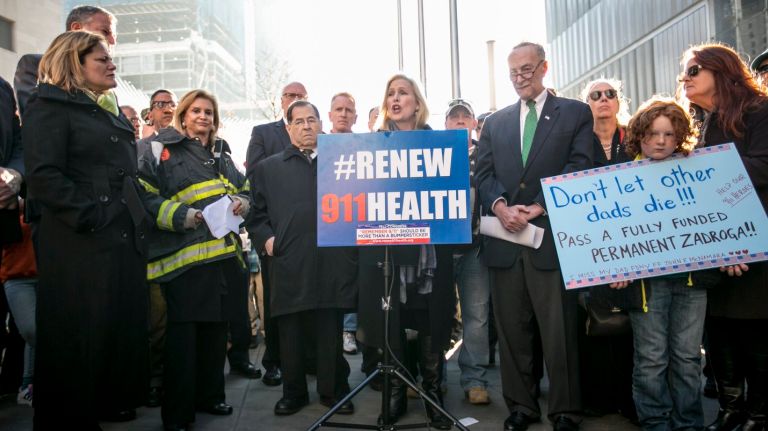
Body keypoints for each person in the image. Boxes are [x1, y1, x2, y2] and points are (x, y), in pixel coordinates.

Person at [22, 31, 151, 430]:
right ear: (74, 64)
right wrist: (91, 216)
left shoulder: (100, 110)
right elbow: (43, 175)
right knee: (76, 342)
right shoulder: (48, 106)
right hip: (79, 245)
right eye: (102, 60)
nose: (113, 65)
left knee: (108, 341)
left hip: (115, 242)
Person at [475, 41, 593, 431]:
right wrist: (499, 206)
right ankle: (521, 407)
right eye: (513, 72)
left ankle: (565, 411)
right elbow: (484, 175)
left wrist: (541, 206)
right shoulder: (495, 122)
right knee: (512, 331)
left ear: (544, 68)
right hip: (504, 241)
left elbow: (580, 165)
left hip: (550, 240)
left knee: (559, 331)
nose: (520, 78)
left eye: (527, 69)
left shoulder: (574, 113)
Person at [138, 89, 250, 431]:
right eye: (197, 111)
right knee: (183, 340)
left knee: (216, 334)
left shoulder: (222, 154)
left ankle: (210, 396)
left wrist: (243, 203)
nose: (203, 117)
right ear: (183, 115)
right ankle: (177, 413)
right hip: (183, 263)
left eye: (209, 113)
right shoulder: (159, 149)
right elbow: (144, 196)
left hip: (223, 260)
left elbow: (246, 188)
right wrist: (182, 216)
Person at [679, 42, 768, 431]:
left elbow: (764, 167)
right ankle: (731, 410)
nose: (686, 77)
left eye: (694, 69)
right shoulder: (699, 123)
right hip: (713, 247)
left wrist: (706, 168)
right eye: (684, 71)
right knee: (719, 330)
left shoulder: (760, 111)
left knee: (754, 331)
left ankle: (760, 414)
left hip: (754, 240)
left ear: (721, 70)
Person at [357, 74, 454, 429]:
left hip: (430, 252)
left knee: (430, 317)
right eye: (391, 94)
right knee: (391, 319)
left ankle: (432, 393)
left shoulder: (438, 143)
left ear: (417, 101)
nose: (396, 99)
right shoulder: (374, 145)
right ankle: (396, 394)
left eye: (404, 92)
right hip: (388, 253)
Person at [249, 100, 357, 416]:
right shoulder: (268, 168)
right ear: (288, 128)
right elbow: (256, 216)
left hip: (332, 263)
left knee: (329, 329)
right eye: (299, 121)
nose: (306, 126)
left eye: (312, 119)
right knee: (291, 331)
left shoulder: (341, 163)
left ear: (321, 123)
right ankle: (293, 393)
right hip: (288, 262)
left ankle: (333, 391)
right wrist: (269, 243)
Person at [618, 97, 713, 431]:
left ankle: (689, 423)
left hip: (691, 282)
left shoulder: (697, 174)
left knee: (688, 359)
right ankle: (655, 422)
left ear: (679, 137)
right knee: (651, 359)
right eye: (654, 133)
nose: (660, 141)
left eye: (669, 134)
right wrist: (615, 269)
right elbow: (609, 233)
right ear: (640, 135)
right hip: (647, 287)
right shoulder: (621, 179)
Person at [575, 78, 636, 421]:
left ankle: (628, 399)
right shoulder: (577, 143)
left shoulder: (636, 138)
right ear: (587, 105)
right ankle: (597, 398)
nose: (602, 99)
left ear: (618, 100)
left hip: (634, 244)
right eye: (595, 95)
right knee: (591, 324)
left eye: (609, 94)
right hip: (589, 247)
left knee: (630, 327)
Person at [245, 80, 309, 387]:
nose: (294, 99)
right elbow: (255, 175)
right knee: (276, 303)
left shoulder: (315, 134)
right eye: (290, 95)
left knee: (310, 302)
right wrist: (267, 238)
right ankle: (274, 362)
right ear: (281, 100)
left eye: (300, 96)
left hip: (311, 239)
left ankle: (306, 360)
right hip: (277, 235)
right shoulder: (263, 132)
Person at [444, 98, 492, 405]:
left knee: (477, 316)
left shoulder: (487, 154)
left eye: (466, 117)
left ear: (474, 123)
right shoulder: (434, 152)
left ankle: (474, 380)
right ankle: (430, 375)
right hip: (439, 250)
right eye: (454, 117)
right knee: (436, 316)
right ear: (446, 123)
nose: (460, 121)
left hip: (475, 247)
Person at [136, 88, 178, 408]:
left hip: (187, 249)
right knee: (157, 323)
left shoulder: (191, 147)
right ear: (149, 114)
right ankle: (153, 380)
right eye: (159, 104)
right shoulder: (139, 150)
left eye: (171, 103)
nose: (166, 108)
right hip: (154, 249)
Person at [14, 4, 117, 116]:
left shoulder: (106, 84)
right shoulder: (35, 64)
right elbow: (32, 115)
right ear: (76, 28)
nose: (112, 41)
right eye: (105, 32)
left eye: (114, 36)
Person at [327, 92, 361, 354]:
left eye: (348, 110)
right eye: (338, 109)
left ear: (355, 117)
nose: (343, 114)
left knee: (354, 282)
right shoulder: (318, 146)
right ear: (329, 115)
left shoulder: (364, 146)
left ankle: (349, 331)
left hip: (358, 225)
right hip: (328, 225)